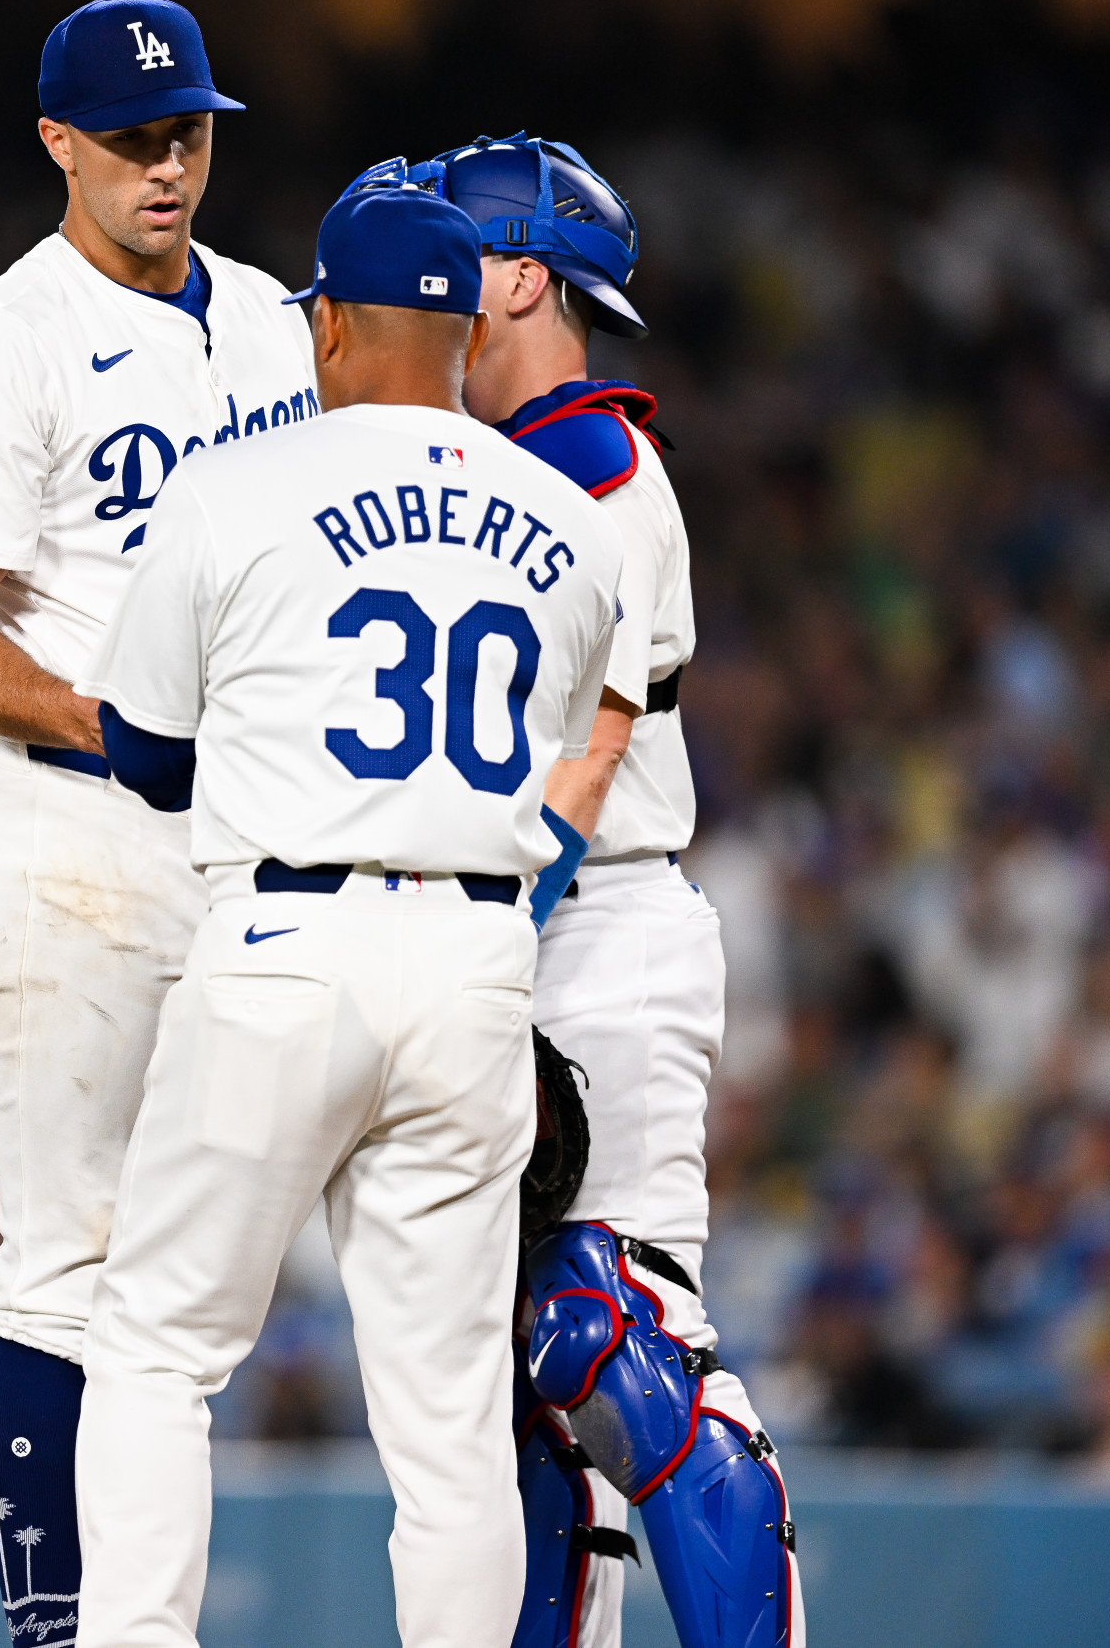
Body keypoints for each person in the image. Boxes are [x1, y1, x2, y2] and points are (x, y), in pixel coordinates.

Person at [71, 184, 625, 1648]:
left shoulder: (240, 484)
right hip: (476, 960)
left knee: (154, 1347)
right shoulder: (571, 521)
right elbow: (557, 737)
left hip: (284, 939)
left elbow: (140, 747)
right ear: (460, 330)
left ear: (325, 321)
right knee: (447, 1423)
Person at [0, 0, 316, 1643]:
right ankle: (58, 1626)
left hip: (254, 834)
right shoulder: (5, 342)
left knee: (197, 1293)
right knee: (69, 1267)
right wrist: (117, 731)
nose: (167, 163)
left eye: (189, 132)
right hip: (78, 837)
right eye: (134, 136)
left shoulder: (280, 322)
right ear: (58, 141)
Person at [423, 134, 805, 1648]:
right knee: (504, 1400)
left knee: (611, 1335)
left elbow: (581, 765)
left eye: (446, 251)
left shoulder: (590, 462)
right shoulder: (489, 461)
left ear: (516, 275)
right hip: (505, 927)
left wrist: (486, 937)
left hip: (593, 924)